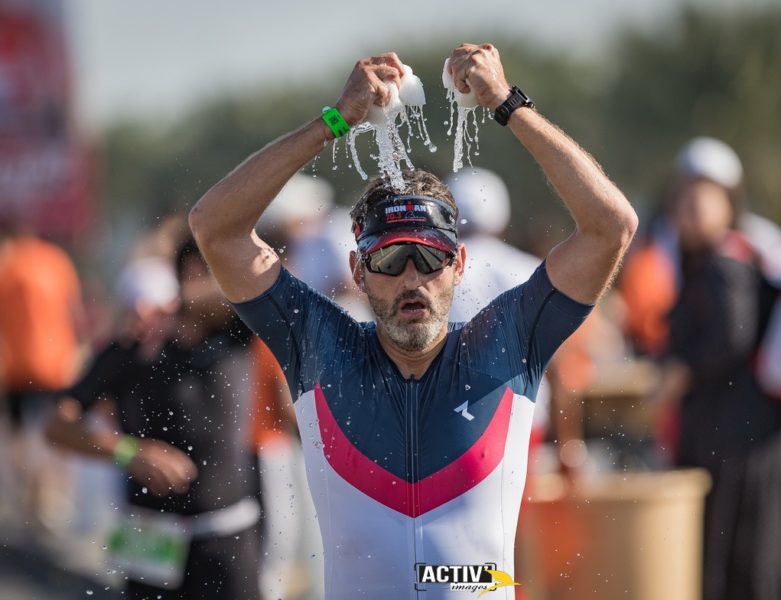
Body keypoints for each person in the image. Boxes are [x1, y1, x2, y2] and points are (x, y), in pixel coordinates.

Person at [189, 44, 637, 599]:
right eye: (389, 259)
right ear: (357, 270)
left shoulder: (506, 343)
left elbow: (611, 226)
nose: (411, 278)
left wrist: (506, 102)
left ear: (460, 264)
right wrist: (335, 121)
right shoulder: (320, 345)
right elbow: (215, 228)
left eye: (429, 257)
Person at [45, 239, 262, 600]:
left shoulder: (236, 335)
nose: (206, 285)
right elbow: (56, 427)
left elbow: (253, 284)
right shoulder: (135, 345)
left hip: (226, 530)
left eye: (216, 273)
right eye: (198, 272)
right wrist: (129, 451)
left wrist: (177, 306)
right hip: (145, 533)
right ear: (180, 274)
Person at [649, 139, 781, 600]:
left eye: (700, 202)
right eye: (683, 201)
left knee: (733, 561)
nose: (688, 213)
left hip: (735, 440)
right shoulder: (713, 261)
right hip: (735, 436)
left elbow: (733, 335)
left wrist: (681, 371)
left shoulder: (727, 264)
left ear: (729, 205)